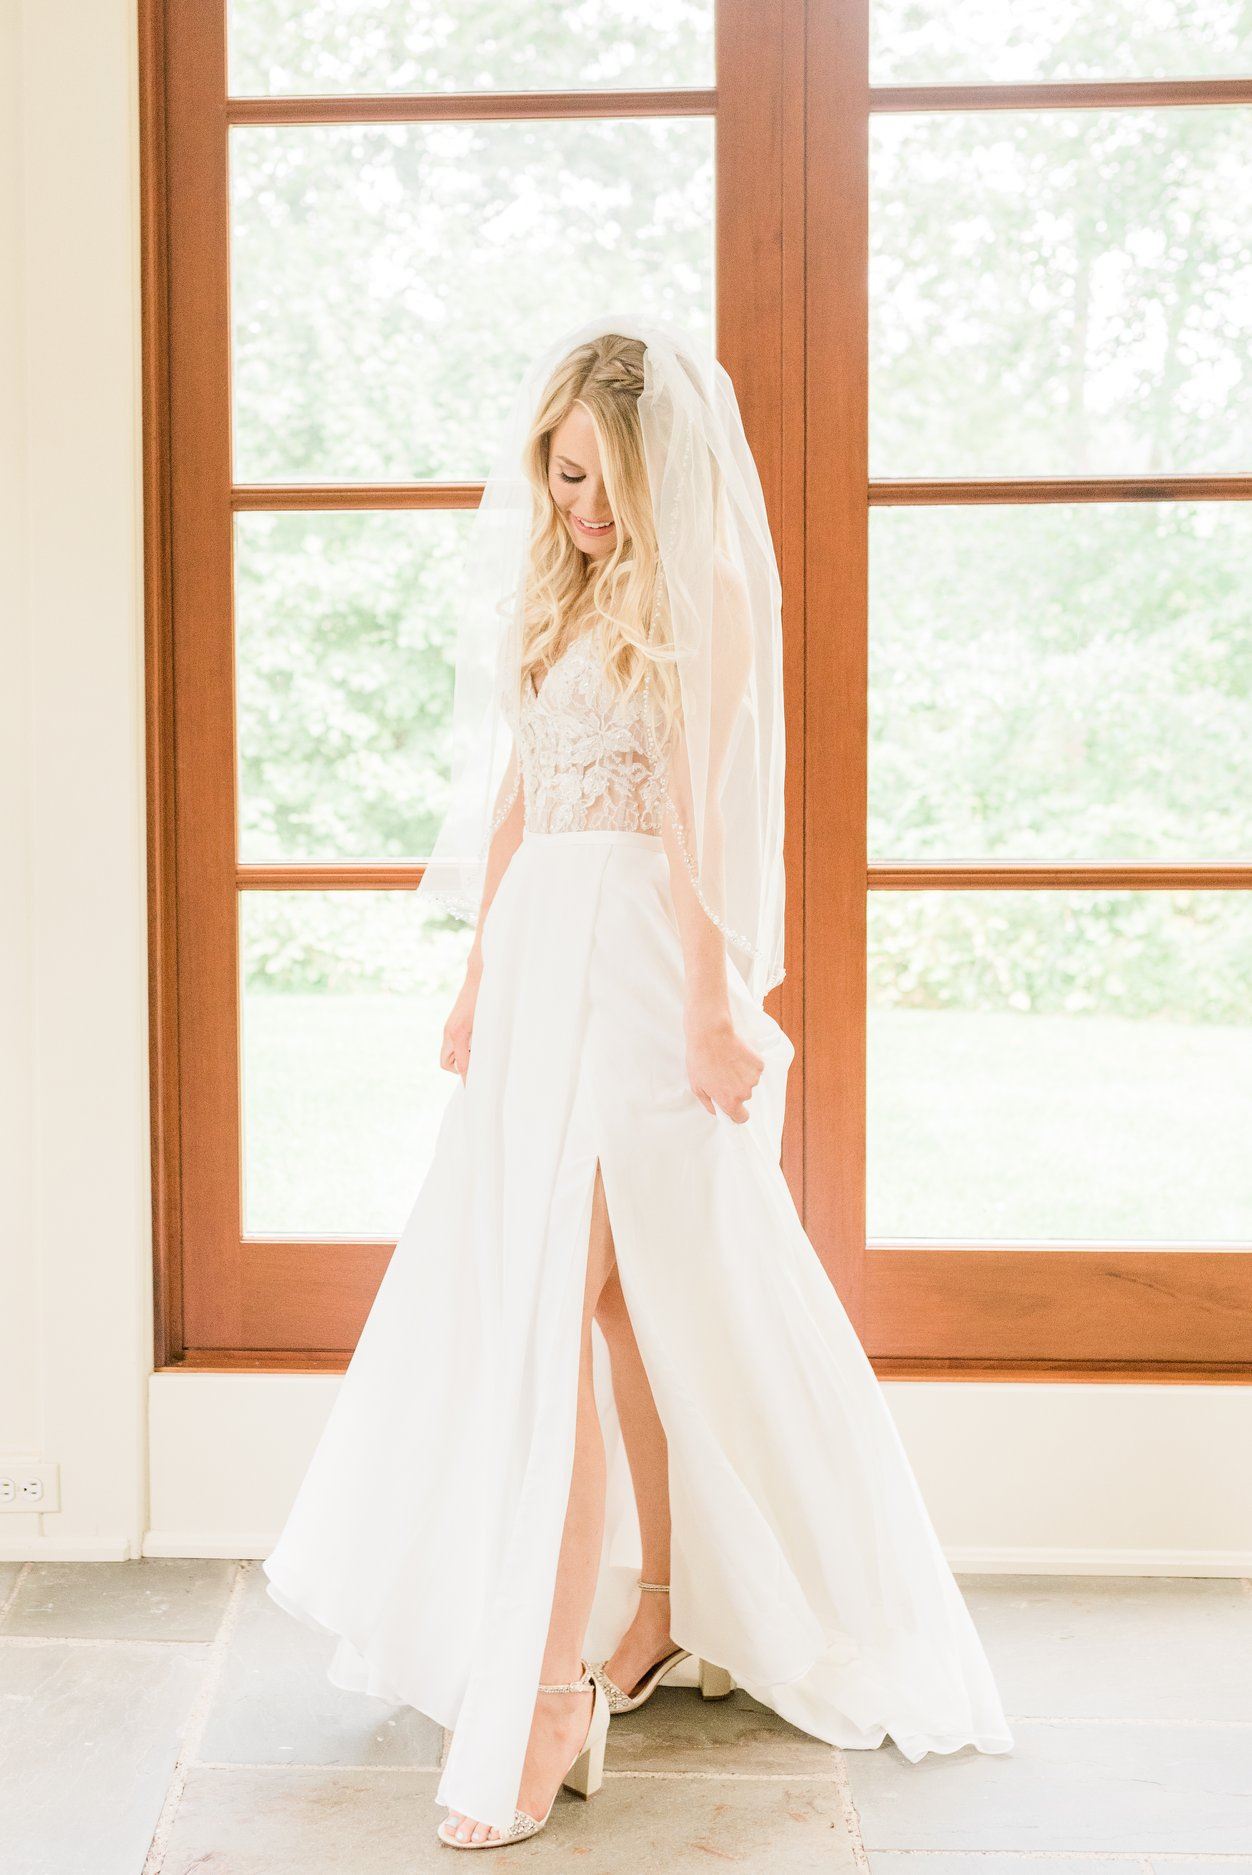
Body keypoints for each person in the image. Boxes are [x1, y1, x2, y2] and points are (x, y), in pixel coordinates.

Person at [262, 312, 1013, 1853]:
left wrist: (711, 1005)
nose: (576, 509)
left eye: (598, 481)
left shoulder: (705, 593)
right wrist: (476, 979)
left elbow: (692, 821)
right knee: (604, 1310)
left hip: (637, 975)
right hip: (540, 967)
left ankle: (544, 1699)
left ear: (656, 467)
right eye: (558, 478)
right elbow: (520, 797)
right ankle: (656, 1614)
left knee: (576, 1305)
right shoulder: (566, 586)